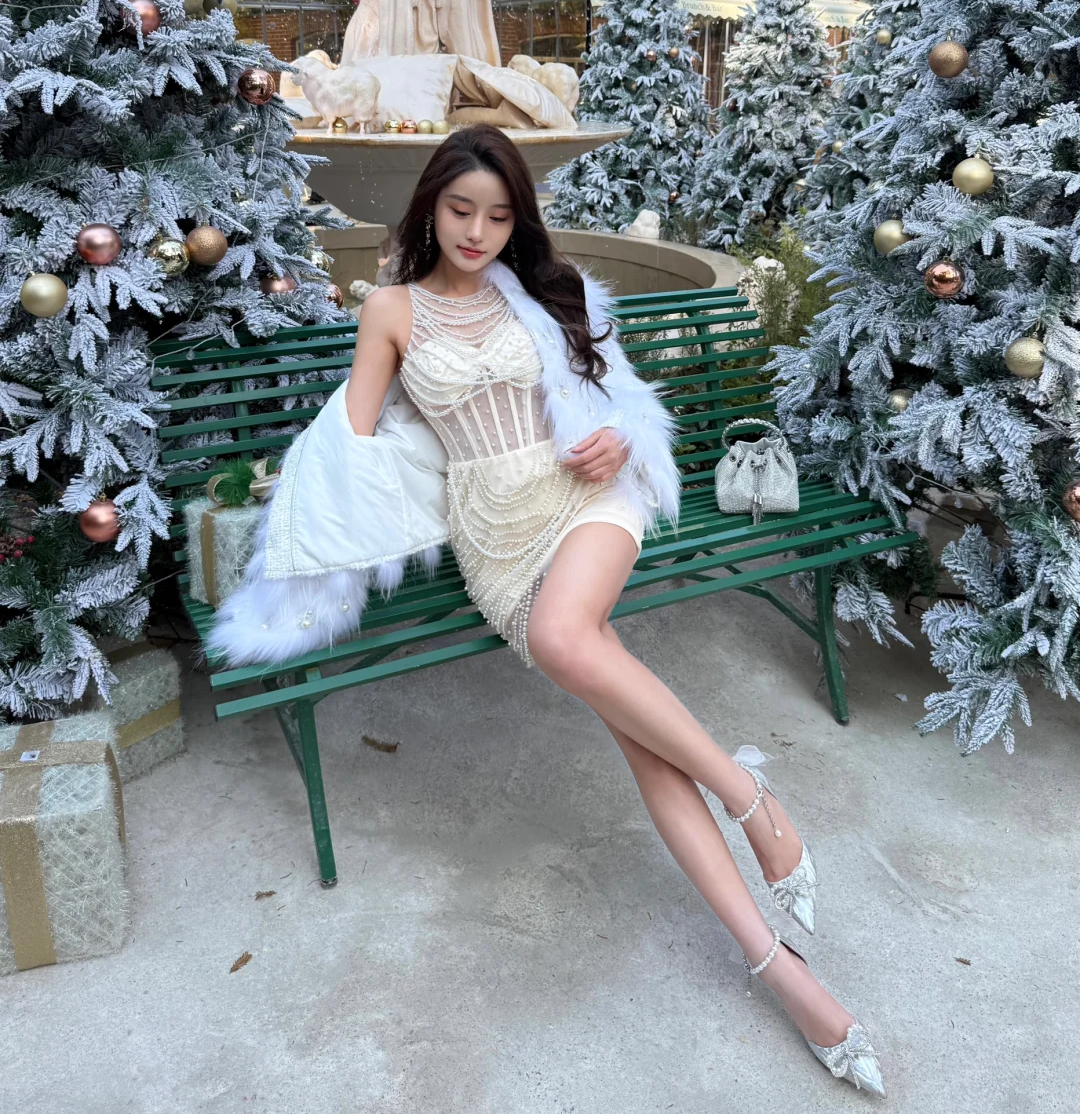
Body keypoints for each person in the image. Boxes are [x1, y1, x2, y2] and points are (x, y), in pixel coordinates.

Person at [212, 125, 884, 1097]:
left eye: (497, 215)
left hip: (586, 502)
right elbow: (352, 443)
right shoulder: (390, 309)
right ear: (430, 206)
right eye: (461, 210)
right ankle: (780, 966)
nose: (477, 231)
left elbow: (615, 401)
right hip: (493, 535)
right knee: (638, 741)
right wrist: (291, 506)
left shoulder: (541, 291)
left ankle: (754, 803)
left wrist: (617, 437)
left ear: (515, 220)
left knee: (569, 636)